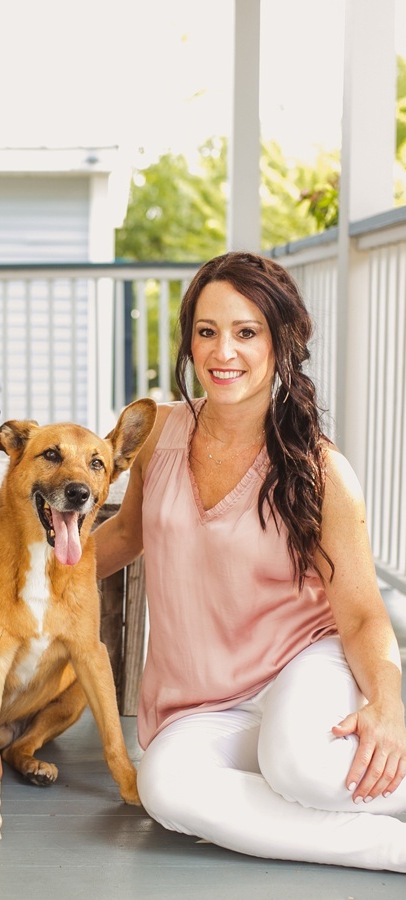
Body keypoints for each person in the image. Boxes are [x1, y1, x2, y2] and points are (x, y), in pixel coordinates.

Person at [94, 251, 406, 873]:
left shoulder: (320, 469)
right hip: (201, 702)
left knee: (299, 769)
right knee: (165, 787)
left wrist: (388, 707)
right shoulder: (159, 434)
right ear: (189, 341)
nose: (223, 352)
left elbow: (362, 615)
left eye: (246, 332)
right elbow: (126, 534)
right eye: (207, 331)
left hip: (302, 665)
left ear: (279, 340)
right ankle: (390, 846)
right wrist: (26, 576)